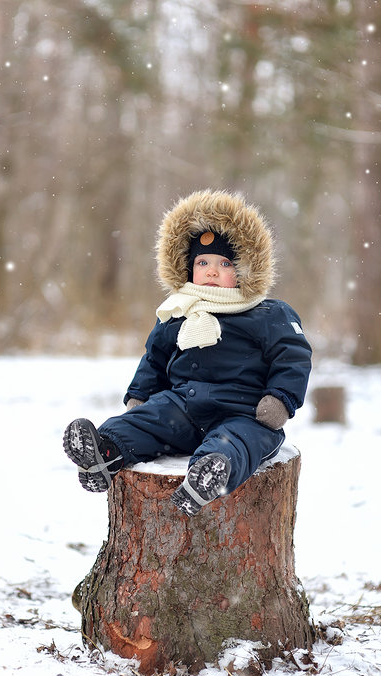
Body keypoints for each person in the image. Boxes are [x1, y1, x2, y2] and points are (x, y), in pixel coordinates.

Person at [63, 189, 312, 516]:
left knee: (238, 440)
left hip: (243, 411)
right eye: (202, 262)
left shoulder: (268, 313)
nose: (211, 271)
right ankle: (104, 452)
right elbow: (154, 359)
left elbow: (293, 356)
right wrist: (140, 395)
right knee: (147, 420)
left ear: (245, 268)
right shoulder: (177, 311)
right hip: (183, 406)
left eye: (224, 263)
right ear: (187, 267)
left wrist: (281, 397)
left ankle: (209, 473)